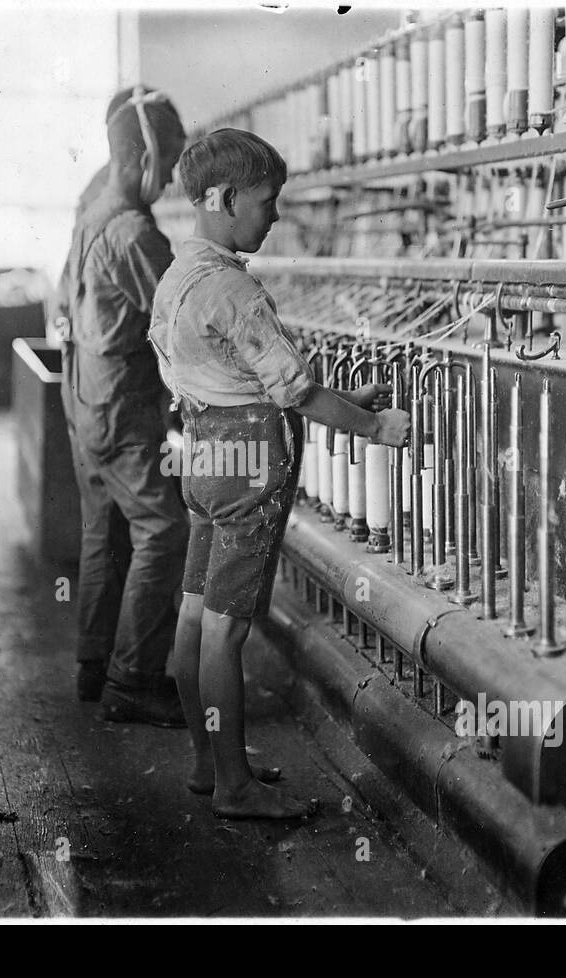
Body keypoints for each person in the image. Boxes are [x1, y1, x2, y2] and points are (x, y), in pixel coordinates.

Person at [148, 128, 411, 818]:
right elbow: (291, 393)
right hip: (248, 472)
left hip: (203, 455)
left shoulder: (178, 278)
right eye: (268, 201)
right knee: (227, 633)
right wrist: (376, 428)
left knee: (195, 614)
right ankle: (235, 790)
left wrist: (341, 399)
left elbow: (236, 378)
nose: (273, 215)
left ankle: (210, 764)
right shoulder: (235, 289)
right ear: (227, 199)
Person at [55, 86, 190, 726]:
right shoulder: (135, 233)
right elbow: (181, 323)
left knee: (103, 529)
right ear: (139, 159)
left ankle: (93, 664)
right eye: (165, 168)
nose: (167, 184)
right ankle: (134, 679)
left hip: (83, 394)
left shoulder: (92, 208)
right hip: (121, 406)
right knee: (164, 530)